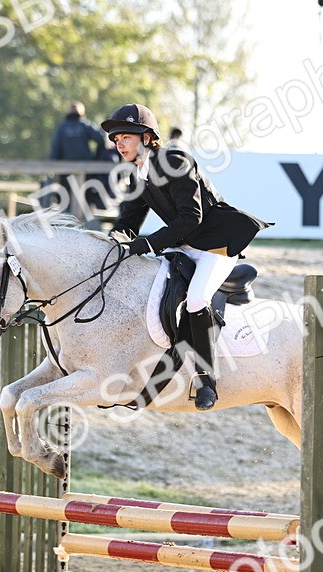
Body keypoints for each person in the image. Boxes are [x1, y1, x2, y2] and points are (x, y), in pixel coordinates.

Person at [102, 103, 272, 411]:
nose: (119, 144)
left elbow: (191, 217)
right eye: (116, 139)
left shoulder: (174, 161)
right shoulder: (136, 175)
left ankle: (206, 380)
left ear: (146, 137)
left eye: (125, 136)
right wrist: (110, 244)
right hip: (182, 244)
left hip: (214, 245)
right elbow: (127, 224)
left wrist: (148, 244)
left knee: (195, 300)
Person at [49, 102, 109, 220]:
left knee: (65, 199)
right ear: (81, 113)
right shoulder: (85, 125)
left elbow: (55, 148)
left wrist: (51, 167)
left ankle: (65, 223)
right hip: (85, 170)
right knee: (84, 197)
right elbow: (101, 140)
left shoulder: (62, 127)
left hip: (65, 170)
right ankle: (83, 223)